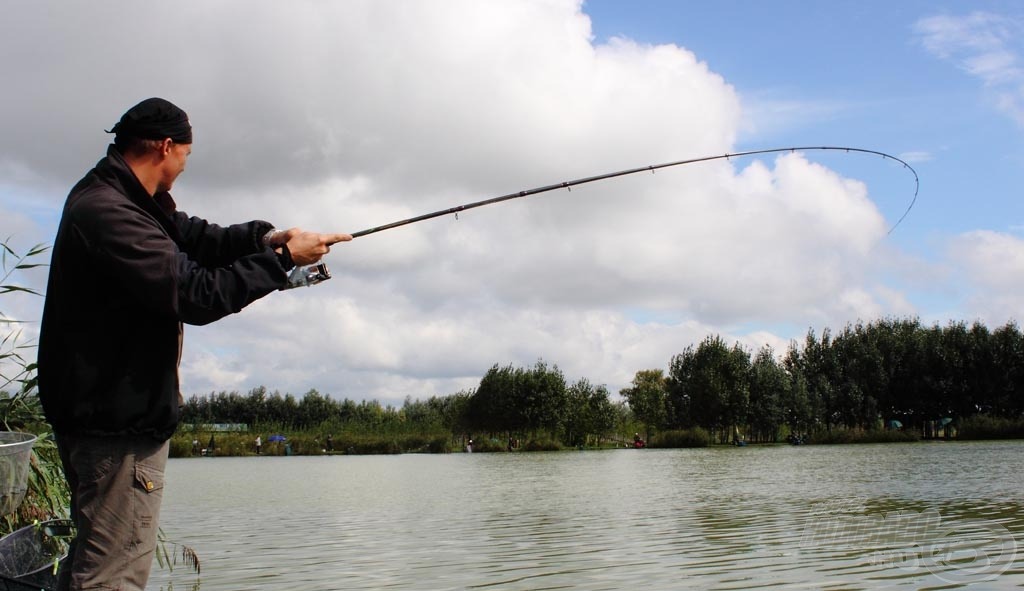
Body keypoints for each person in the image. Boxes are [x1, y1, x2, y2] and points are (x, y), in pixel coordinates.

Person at [37, 97, 351, 591]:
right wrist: (283, 259)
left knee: (95, 560)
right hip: (115, 427)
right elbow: (196, 294)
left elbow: (194, 237)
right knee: (112, 575)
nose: (184, 165)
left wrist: (267, 239)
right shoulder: (109, 212)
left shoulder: (123, 197)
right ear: (166, 147)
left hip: (106, 416)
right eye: (185, 154)